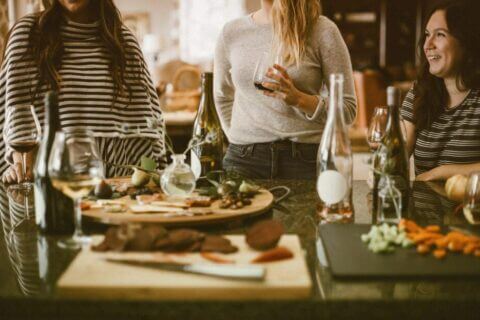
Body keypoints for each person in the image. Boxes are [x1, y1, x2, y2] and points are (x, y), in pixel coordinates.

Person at [0, 0, 165, 184]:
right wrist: (24, 171)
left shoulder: (124, 41)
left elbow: (147, 129)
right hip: (52, 179)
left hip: (118, 182)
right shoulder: (28, 34)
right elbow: (18, 118)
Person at [214, 0, 356, 180]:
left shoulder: (323, 30)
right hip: (243, 161)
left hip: (306, 161)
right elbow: (222, 97)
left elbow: (348, 110)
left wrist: (299, 99)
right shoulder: (231, 32)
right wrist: (239, 139)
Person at [401, 0, 480, 181]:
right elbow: (398, 153)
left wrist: (440, 173)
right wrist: (385, 159)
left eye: (440, 35)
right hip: (424, 209)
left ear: (465, 42)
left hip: (469, 209)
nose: (428, 45)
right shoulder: (419, 91)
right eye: (427, 34)